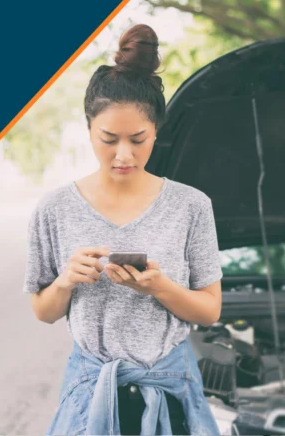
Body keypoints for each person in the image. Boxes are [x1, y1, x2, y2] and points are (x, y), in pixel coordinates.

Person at [22, 24, 223, 436]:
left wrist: (159, 288)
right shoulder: (54, 209)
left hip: (171, 394)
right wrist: (65, 282)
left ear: (157, 131)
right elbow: (43, 311)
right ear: (89, 128)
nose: (124, 155)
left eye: (138, 139)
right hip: (89, 393)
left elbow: (210, 309)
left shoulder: (192, 206)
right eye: (109, 139)